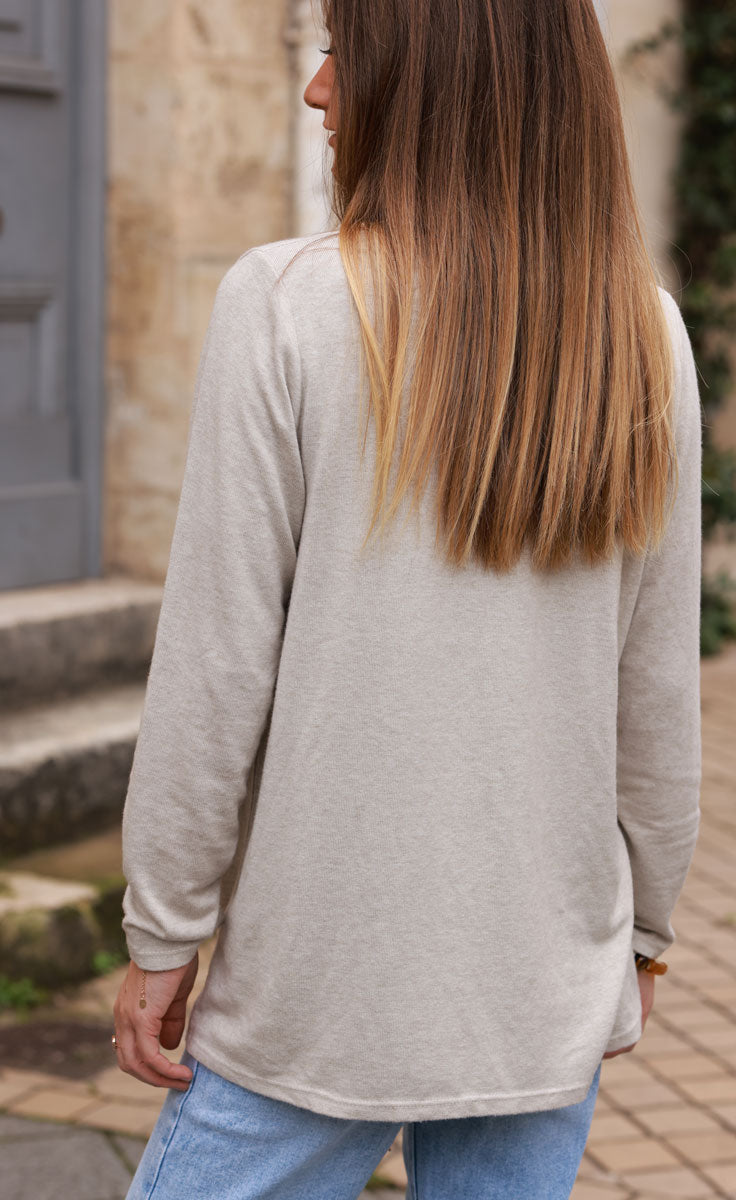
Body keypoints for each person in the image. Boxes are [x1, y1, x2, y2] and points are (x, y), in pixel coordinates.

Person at [115, 1, 703, 1196]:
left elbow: (216, 670)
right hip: (538, 988)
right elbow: (656, 690)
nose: (315, 88)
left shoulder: (285, 304)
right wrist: (644, 926)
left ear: (427, 78)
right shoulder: (644, 334)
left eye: (344, 47)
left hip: (316, 991)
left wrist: (162, 931)